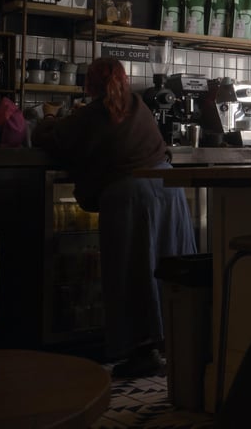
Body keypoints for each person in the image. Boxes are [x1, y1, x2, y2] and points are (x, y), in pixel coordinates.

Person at [33, 57, 196, 378]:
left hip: (132, 196)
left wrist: (47, 118)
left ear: (88, 84)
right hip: (168, 189)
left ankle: (141, 353)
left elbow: (49, 139)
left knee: (129, 272)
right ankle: (180, 344)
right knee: (169, 268)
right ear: (124, 79)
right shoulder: (138, 104)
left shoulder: (89, 115)